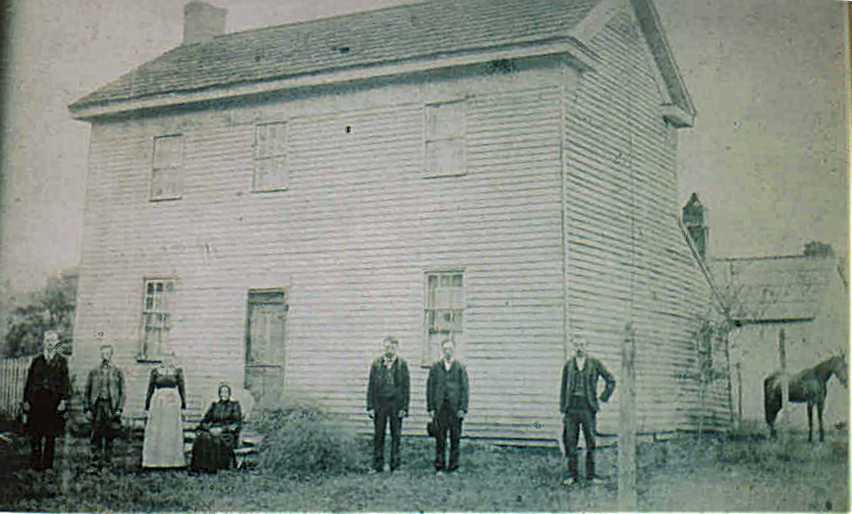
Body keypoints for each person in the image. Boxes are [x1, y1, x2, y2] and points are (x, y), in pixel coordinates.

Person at [559, 334, 616, 486]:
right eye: (576, 345)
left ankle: (591, 476)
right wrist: (563, 410)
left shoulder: (594, 363)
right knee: (571, 442)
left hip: (587, 408)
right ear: (573, 347)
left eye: (582, 345)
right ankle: (572, 475)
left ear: (587, 346)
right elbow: (563, 388)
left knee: (591, 442)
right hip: (571, 409)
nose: (579, 348)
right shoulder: (568, 365)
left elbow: (611, 380)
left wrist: (602, 398)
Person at [22, 330, 71, 471]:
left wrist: (63, 400)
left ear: (57, 343)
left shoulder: (62, 361)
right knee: (35, 433)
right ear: (44, 342)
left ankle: (48, 465)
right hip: (37, 401)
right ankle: (35, 464)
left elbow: (65, 383)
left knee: (50, 434)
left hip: (53, 402)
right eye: (47, 340)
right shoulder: (37, 360)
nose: (50, 343)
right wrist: (26, 400)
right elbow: (29, 382)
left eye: (53, 341)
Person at [366, 336, 410, 473]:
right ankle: (377, 465)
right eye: (386, 347)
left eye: (392, 347)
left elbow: (406, 388)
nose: (389, 350)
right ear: (383, 348)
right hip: (380, 404)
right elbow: (371, 387)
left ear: (396, 348)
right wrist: (370, 407)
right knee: (379, 435)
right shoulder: (376, 364)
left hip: (396, 404)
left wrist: (404, 407)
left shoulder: (402, 364)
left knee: (396, 435)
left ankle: (395, 465)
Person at [426, 339, 469, 475]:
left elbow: (465, 389)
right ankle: (440, 466)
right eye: (445, 349)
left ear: (454, 350)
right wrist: (431, 408)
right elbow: (430, 388)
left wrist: (462, 408)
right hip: (440, 409)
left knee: (455, 438)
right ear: (442, 351)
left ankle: (454, 466)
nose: (447, 352)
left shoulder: (460, 368)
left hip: (455, 409)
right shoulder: (435, 367)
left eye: (450, 349)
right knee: (440, 438)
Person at [83, 344, 125, 467]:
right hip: (97, 406)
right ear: (100, 355)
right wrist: (87, 409)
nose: (105, 356)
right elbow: (87, 391)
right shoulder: (94, 371)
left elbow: (123, 392)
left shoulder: (117, 371)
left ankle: (107, 462)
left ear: (111, 355)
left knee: (110, 434)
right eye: (103, 353)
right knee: (96, 434)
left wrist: (119, 409)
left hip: (111, 406)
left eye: (107, 353)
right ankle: (94, 463)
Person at [142, 352, 187, 468]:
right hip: (158, 403)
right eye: (164, 358)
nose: (167, 360)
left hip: (173, 402)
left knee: (170, 430)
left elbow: (182, 389)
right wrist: (147, 407)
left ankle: (172, 462)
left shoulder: (177, 371)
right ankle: (154, 461)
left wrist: (183, 407)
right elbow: (150, 389)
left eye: (169, 358)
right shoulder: (155, 371)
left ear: (173, 359)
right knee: (158, 429)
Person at [191, 383, 242, 473]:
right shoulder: (215, 405)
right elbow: (204, 421)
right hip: (212, 430)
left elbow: (236, 423)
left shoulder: (234, 406)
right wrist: (209, 429)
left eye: (226, 392)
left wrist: (222, 429)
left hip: (227, 433)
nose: (224, 394)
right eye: (222, 392)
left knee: (216, 440)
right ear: (219, 394)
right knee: (202, 437)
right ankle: (200, 468)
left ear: (229, 394)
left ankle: (215, 467)